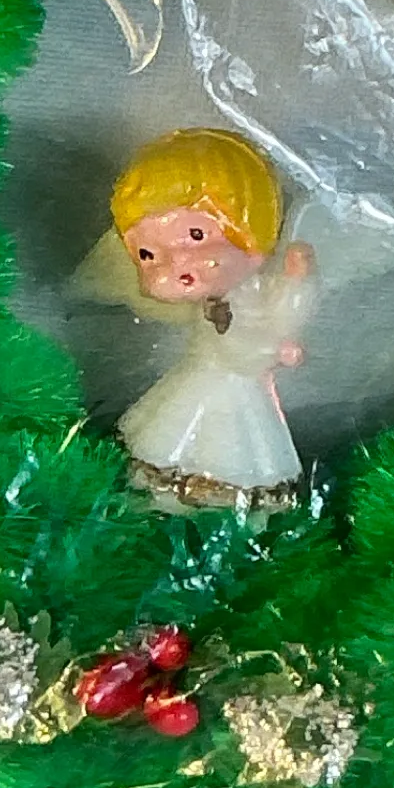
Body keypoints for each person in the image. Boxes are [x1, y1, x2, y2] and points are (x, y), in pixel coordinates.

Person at [109, 128, 315, 509]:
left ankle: (226, 505)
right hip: (200, 375)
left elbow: (279, 316)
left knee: (236, 453)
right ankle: (160, 501)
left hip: (236, 391)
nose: (177, 263)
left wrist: (296, 285)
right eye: (148, 255)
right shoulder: (209, 305)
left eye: (196, 235)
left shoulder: (255, 292)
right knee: (166, 440)